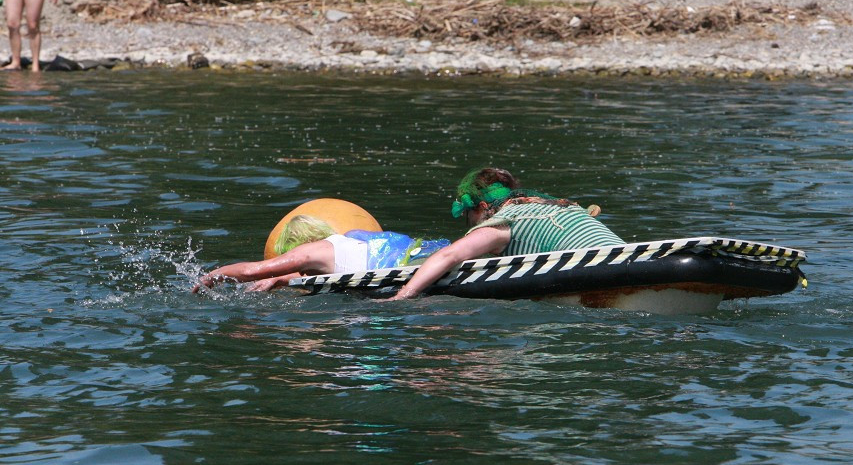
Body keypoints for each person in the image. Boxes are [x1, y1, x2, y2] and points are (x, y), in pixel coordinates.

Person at [389, 167, 624, 301]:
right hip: (630, 258)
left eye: (467, 216)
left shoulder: (499, 226)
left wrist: (403, 295)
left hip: (598, 269)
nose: (468, 225)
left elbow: (448, 256)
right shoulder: (556, 205)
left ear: (481, 209)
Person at [194, 215, 449, 293]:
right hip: (426, 254)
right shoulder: (350, 238)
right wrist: (283, 279)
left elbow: (252, 270)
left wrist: (213, 275)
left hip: (408, 271)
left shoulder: (310, 251)